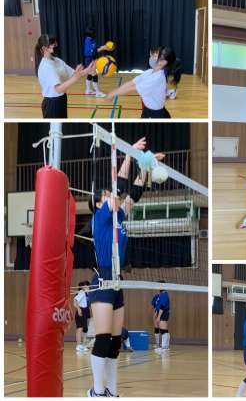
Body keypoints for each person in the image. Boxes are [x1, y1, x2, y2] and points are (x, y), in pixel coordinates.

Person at [87, 137, 149, 397]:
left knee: (114, 342)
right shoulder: (100, 217)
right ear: (98, 204)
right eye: (105, 196)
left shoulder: (119, 215)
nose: (109, 197)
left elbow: (134, 193)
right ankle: (96, 391)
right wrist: (128, 154)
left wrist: (146, 165)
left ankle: (111, 391)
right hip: (102, 279)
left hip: (118, 281)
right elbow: (119, 188)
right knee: (102, 339)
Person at [106, 46, 182, 118]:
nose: (152, 56)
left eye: (156, 55)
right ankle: (170, 92)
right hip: (147, 111)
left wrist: (113, 94)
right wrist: (113, 92)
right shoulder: (149, 72)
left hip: (156, 115)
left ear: (163, 62)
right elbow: (131, 83)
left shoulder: (158, 78)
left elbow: (132, 88)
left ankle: (171, 92)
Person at [35, 34, 96, 118]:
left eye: (55, 43)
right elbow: (58, 89)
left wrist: (88, 69)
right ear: (44, 48)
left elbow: (74, 74)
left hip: (62, 99)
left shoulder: (57, 60)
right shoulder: (46, 66)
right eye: (52, 44)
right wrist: (75, 78)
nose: (55, 45)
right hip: (52, 104)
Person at [83, 26, 111, 97]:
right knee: (94, 74)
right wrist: (102, 48)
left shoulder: (92, 40)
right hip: (89, 60)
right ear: (91, 33)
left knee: (90, 74)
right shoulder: (88, 41)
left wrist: (105, 47)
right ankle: (98, 93)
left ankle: (88, 90)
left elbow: (96, 47)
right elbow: (89, 52)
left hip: (93, 59)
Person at [74, 281, 91, 352]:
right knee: (80, 328)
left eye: (88, 285)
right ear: (83, 287)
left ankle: (83, 345)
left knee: (85, 329)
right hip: (81, 311)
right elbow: (75, 301)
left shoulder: (88, 294)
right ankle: (78, 345)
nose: (88, 287)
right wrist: (79, 309)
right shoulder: (82, 292)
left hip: (86, 311)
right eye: (86, 286)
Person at [155, 281, 170, 353]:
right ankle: (165, 346)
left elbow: (162, 306)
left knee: (163, 329)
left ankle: (164, 347)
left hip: (163, 313)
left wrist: (158, 316)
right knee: (164, 329)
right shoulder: (162, 294)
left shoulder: (164, 295)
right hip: (163, 312)